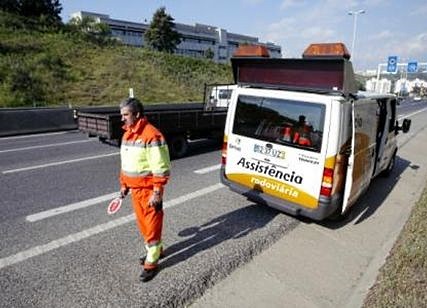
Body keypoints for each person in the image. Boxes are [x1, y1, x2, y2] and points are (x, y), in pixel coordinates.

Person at [119, 97, 171, 282]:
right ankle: (156, 250)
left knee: (151, 227)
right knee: (144, 225)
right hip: (135, 190)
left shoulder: (152, 135)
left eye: (126, 114)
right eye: (122, 115)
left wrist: (157, 191)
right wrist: (124, 185)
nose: (122, 118)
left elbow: (161, 166)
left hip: (149, 191)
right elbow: (127, 164)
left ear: (137, 114)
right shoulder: (127, 134)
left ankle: (151, 263)